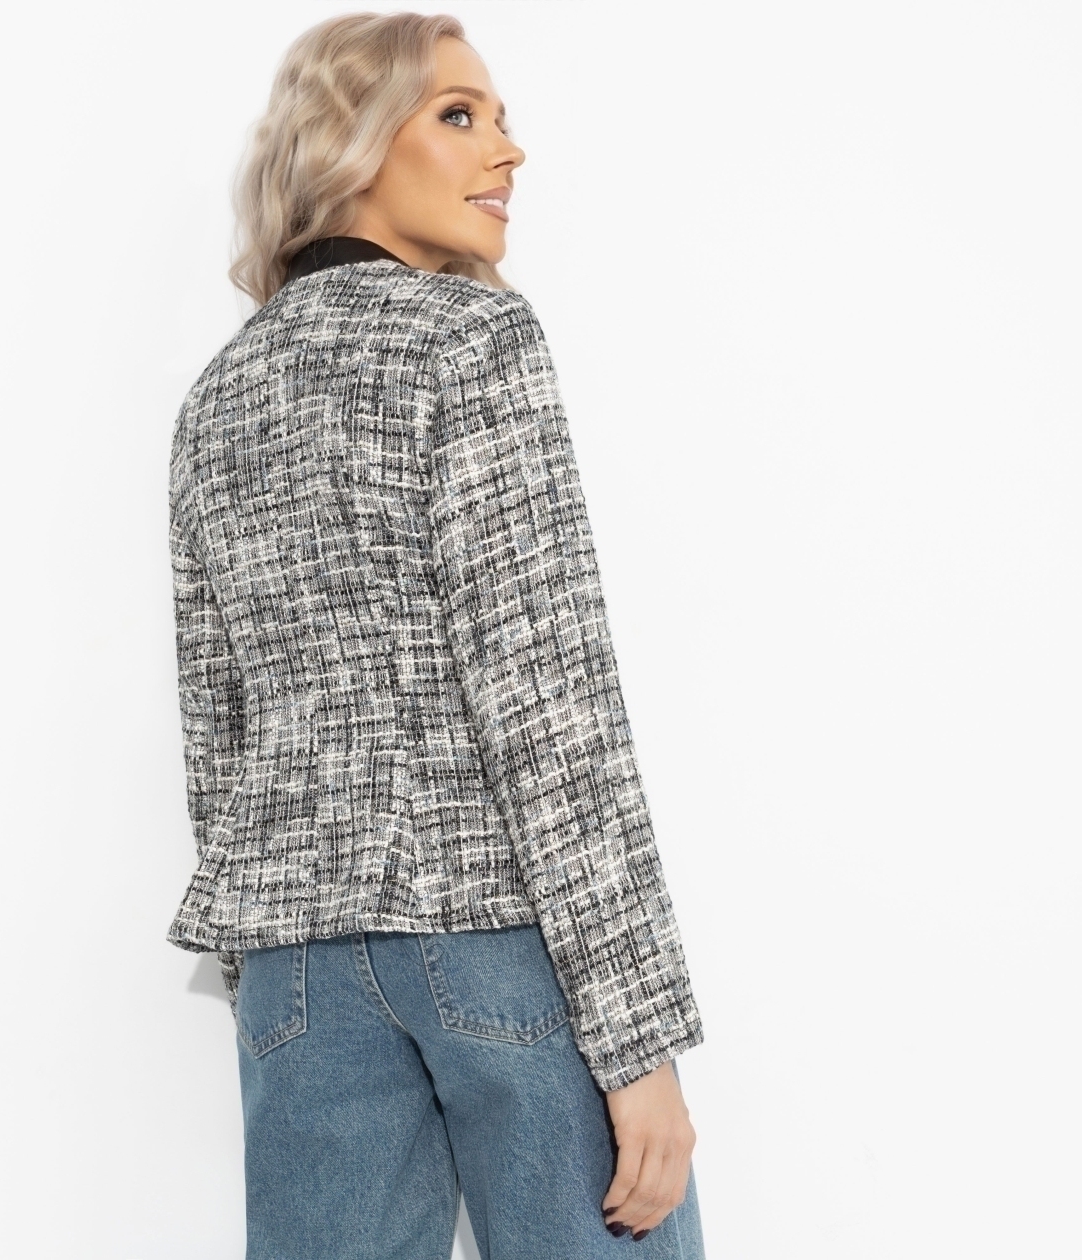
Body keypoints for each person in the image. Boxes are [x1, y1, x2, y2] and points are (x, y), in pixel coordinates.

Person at [167, 12, 706, 1259]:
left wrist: (265, 984)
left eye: (502, 120)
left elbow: (217, 728)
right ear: (348, 143)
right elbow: (548, 698)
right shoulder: (472, 341)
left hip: (296, 968)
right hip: (494, 940)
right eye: (459, 115)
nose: (507, 151)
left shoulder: (218, 395)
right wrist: (637, 1040)